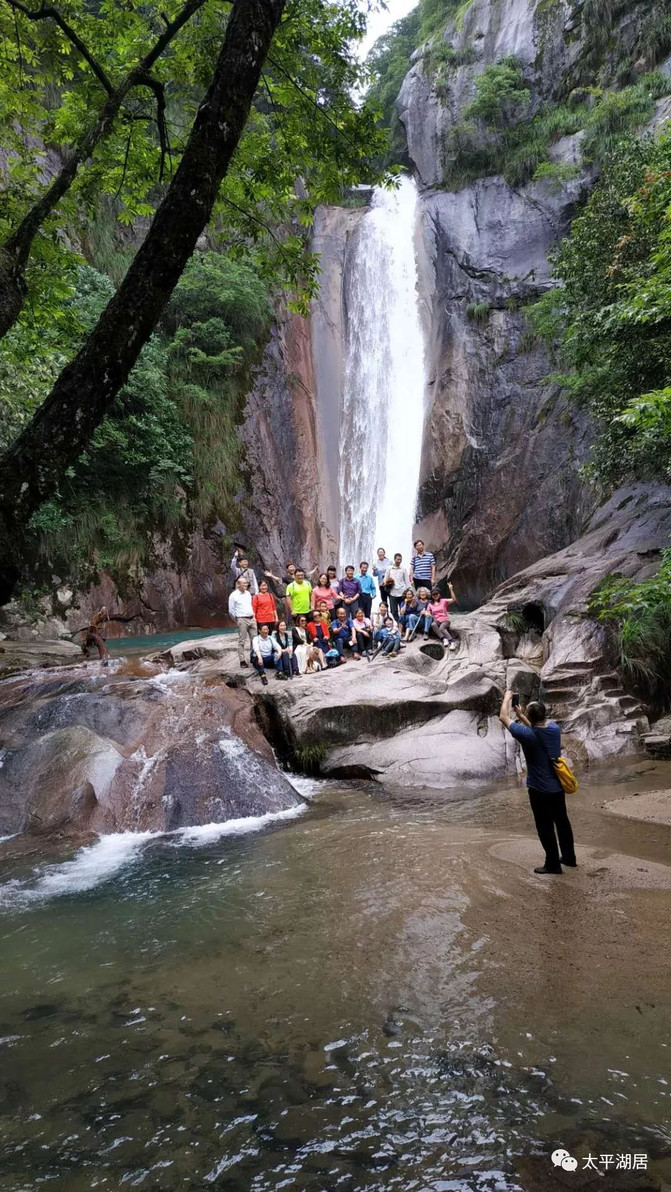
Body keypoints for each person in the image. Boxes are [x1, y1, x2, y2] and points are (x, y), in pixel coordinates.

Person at [499, 691, 577, 875]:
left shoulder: (527, 735)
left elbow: (503, 717)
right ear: (544, 715)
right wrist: (521, 716)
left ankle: (552, 864)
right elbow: (537, 730)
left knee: (544, 826)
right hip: (557, 788)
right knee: (562, 822)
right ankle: (569, 858)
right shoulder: (554, 729)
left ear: (530, 716)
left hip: (539, 790)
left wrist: (507, 697)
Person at [228, 577, 256, 669]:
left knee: (255, 640)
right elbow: (231, 611)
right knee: (242, 641)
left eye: (246, 583)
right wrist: (237, 620)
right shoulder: (233, 595)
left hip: (251, 618)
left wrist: (254, 616)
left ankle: (253, 657)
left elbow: (250, 605)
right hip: (241, 619)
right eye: (243, 583)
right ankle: (242, 660)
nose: (245, 585)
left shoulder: (248, 593)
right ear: (238, 584)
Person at [426, 584, 458, 650]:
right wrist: (427, 613)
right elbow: (428, 611)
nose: (435, 596)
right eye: (433, 594)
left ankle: (452, 641)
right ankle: (443, 638)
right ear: (431, 596)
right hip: (437, 620)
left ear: (439, 594)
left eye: (436, 594)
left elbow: (454, 599)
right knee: (433, 624)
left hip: (445, 620)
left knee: (441, 628)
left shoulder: (443, 601)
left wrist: (451, 589)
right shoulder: (430, 604)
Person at [382, 553, 411, 619]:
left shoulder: (403, 569)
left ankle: (402, 624)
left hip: (402, 592)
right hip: (393, 592)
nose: (399, 561)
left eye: (400, 560)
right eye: (398, 559)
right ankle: (395, 625)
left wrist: (408, 591)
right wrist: (387, 582)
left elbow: (407, 581)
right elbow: (385, 579)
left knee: (403, 609)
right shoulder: (389, 568)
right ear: (394, 559)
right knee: (394, 611)